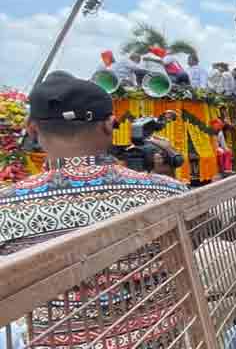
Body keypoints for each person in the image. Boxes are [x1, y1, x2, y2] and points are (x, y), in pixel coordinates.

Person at [0, 73, 187, 255]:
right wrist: (167, 176)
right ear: (109, 125)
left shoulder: (6, 206)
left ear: (32, 130)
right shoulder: (170, 192)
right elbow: (193, 240)